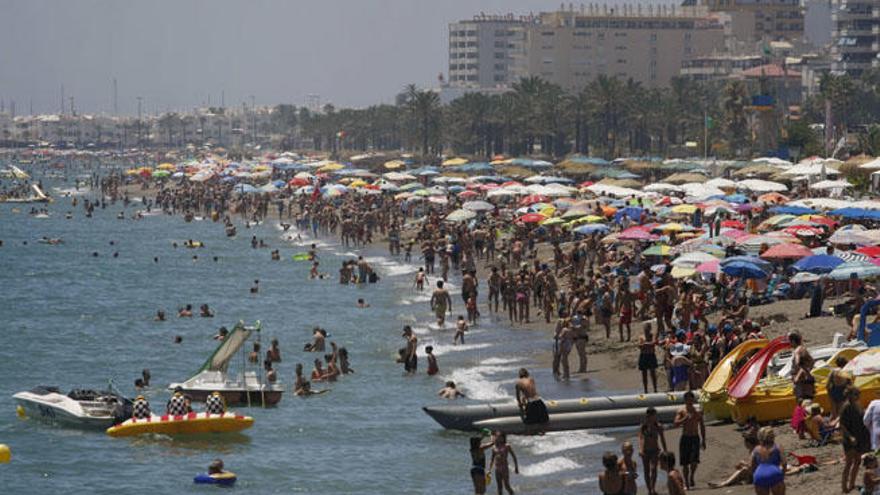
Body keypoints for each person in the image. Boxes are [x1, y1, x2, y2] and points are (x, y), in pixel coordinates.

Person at [840, 386, 871, 493]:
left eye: (858, 394)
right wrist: (850, 437)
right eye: (856, 394)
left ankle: (852, 484)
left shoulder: (857, 405)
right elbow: (842, 425)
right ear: (849, 395)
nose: (858, 396)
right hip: (850, 438)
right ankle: (844, 487)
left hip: (859, 436)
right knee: (849, 463)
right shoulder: (846, 406)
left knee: (857, 462)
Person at [673, 391, 706, 489]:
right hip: (685, 438)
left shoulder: (697, 412)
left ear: (693, 399)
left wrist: (703, 439)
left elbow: (702, 425)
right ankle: (686, 482)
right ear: (685, 400)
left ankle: (691, 476)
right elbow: (675, 423)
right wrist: (684, 419)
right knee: (685, 463)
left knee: (694, 461)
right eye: (687, 399)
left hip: (695, 437)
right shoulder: (682, 411)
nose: (689, 401)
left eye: (691, 399)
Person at [639, 407, 668, 495]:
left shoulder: (658, 426)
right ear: (649, 416)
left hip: (655, 450)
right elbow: (641, 438)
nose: (655, 417)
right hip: (645, 451)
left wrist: (665, 450)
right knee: (646, 471)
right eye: (653, 415)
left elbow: (662, 438)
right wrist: (641, 450)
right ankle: (649, 490)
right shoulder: (643, 426)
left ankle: (652, 488)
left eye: (655, 415)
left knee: (653, 469)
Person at [751, 426, 785, 495]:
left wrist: (755, 476)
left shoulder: (756, 449)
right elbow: (784, 463)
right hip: (774, 472)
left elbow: (752, 465)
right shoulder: (778, 447)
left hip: (759, 474)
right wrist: (782, 474)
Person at [827, 356, 852, 420]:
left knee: (833, 412)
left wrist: (829, 393)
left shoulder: (833, 371)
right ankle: (839, 426)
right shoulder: (846, 371)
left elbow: (828, 384)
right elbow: (850, 384)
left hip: (833, 390)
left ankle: (829, 425)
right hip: (842, 391)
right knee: (841, 411)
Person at [638, 322, 659, 394]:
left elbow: (654, 343)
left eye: (647, 328)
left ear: (650, 329)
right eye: (645, 328)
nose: (646, 330)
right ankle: (646, 390)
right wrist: (647, 345)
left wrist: (645, 344)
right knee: (644, 374)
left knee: (653, 373)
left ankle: (655, 389)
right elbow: (640, 346)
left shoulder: (652, 335)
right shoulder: (642, 337)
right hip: (644, 355)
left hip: (651, 355)